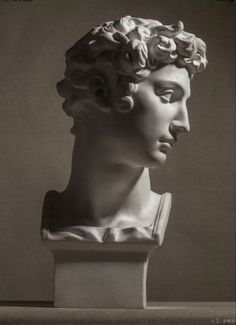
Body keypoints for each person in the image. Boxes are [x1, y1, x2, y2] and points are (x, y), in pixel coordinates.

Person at [41, 16, 207, 243]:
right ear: (100, 91)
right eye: (168, 96)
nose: (184, 124)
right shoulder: (56, 216)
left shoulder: (152, 218)